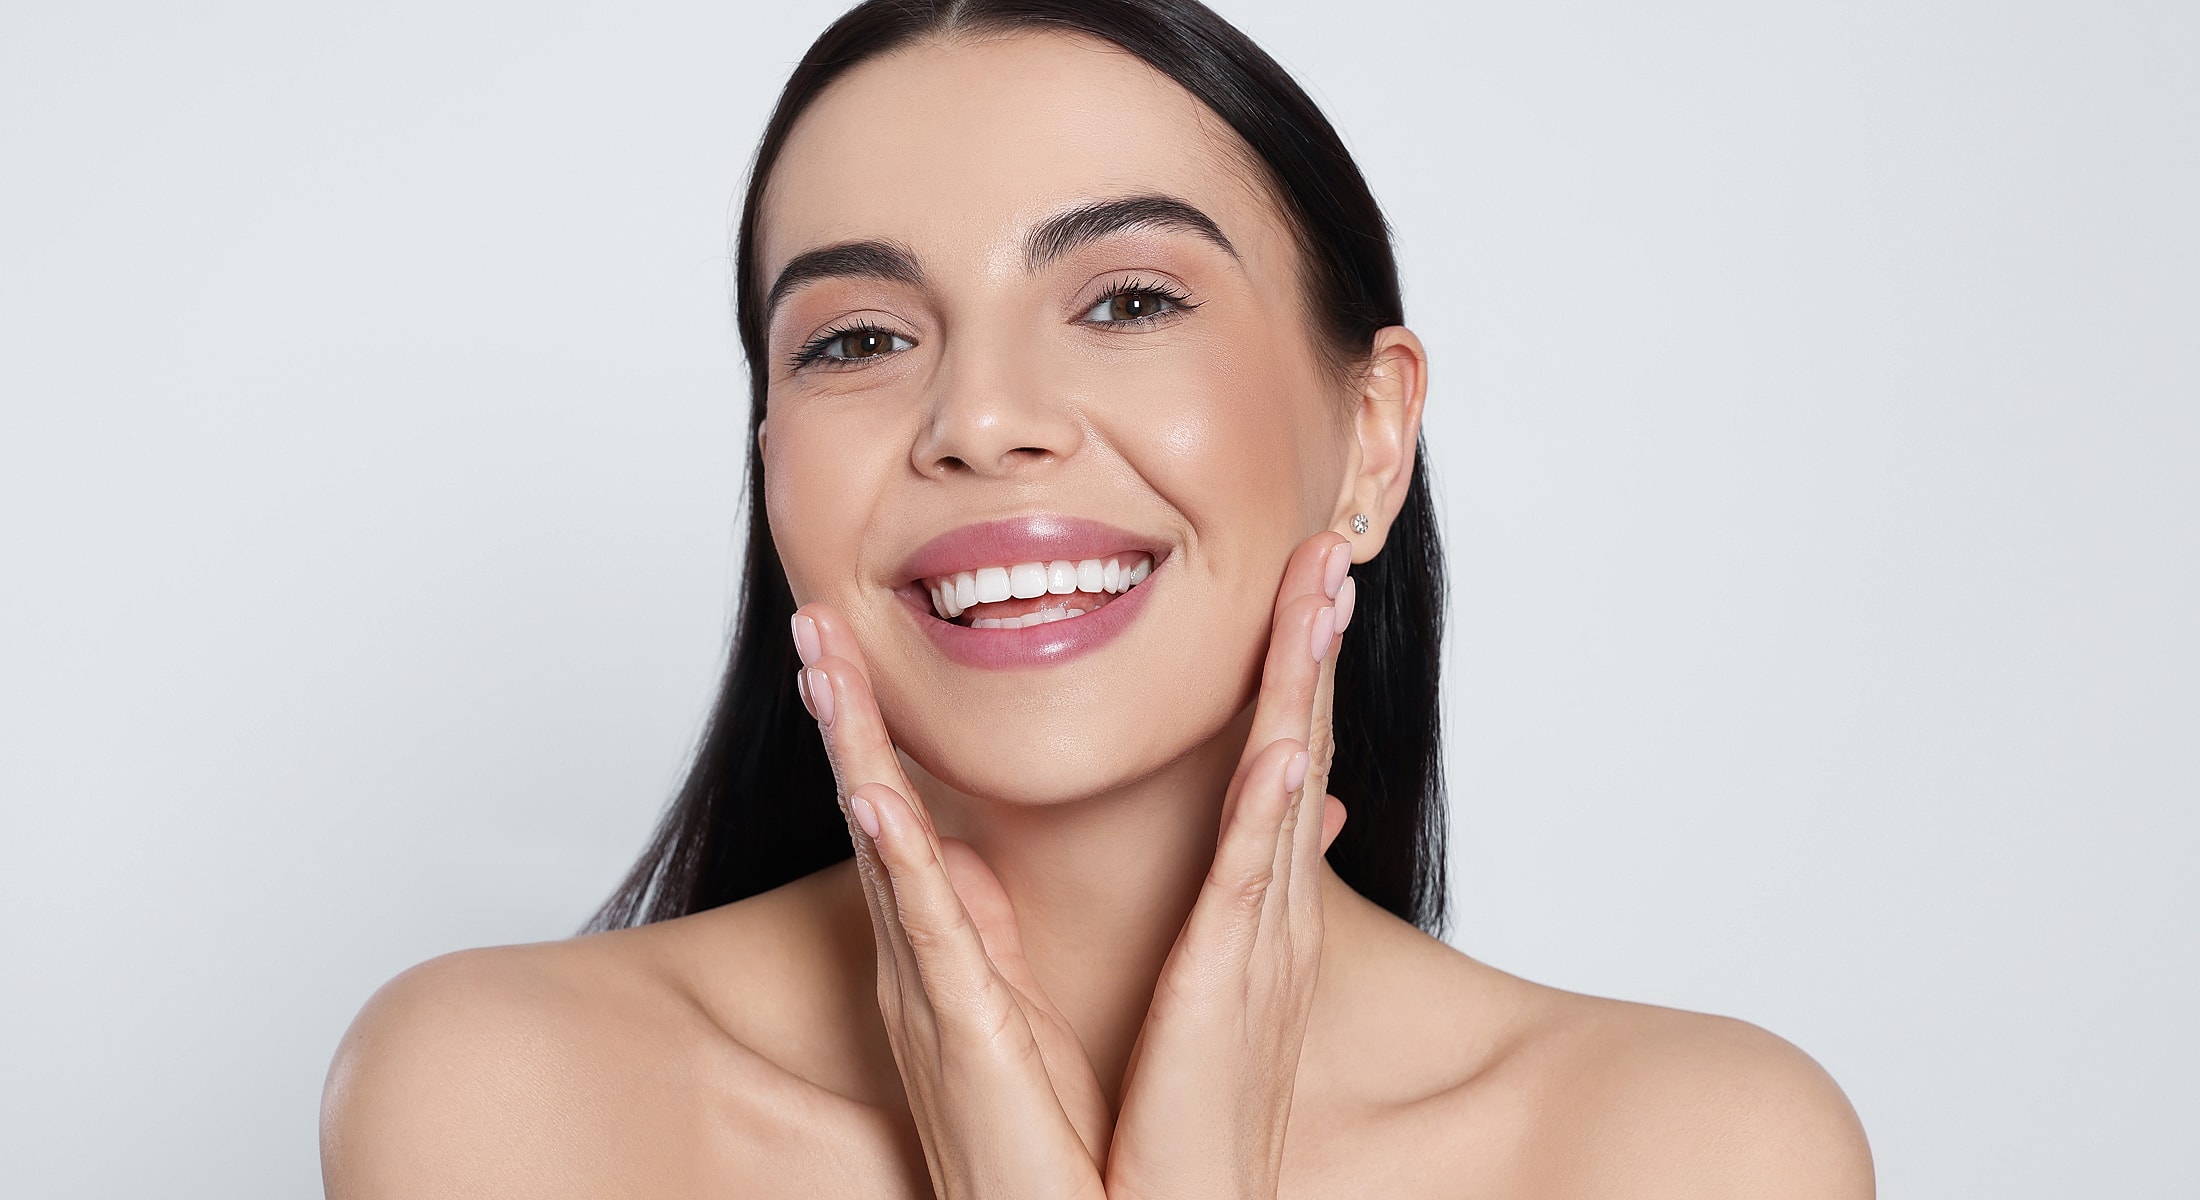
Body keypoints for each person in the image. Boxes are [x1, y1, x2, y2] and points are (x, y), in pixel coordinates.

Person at [320, 1, 1874, 1194]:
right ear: (775, 462)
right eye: (858, 339)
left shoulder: (1689, 1150)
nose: (981, 418)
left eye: (1127, 300)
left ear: (1372, 434)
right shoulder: (514, 1100)